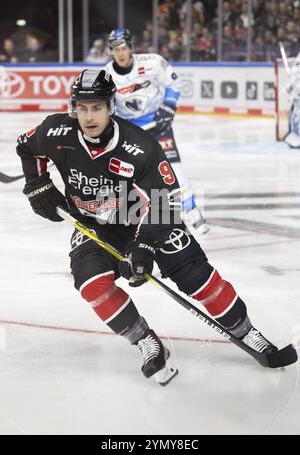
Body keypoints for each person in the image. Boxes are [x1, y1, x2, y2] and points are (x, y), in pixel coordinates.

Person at [16, 69, 279, 385]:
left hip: (145, 218)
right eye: (82, 108)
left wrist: (143, 246)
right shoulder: (56, 132)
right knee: (90, 282)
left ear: (111, 106)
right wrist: (37, 183)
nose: (88, 116)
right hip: (94, 224)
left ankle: (245, 330)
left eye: (97, 107)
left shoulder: (140, 146)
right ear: (74, 107)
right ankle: (144, 340)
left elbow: (166, 202)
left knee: (195, 275)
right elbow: (26, 146)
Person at [104, 28, 209, 234]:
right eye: (116, 49)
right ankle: (133, 218)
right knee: (127, 176)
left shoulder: (153, 62)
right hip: (130, 132)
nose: (120, 53)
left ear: (131, 47)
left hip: (158, 125)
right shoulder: (107, 75)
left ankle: (190, 210)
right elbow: (106, 106)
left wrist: (168, 106)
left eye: (124, 48)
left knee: (172, 169)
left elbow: (174, 83)